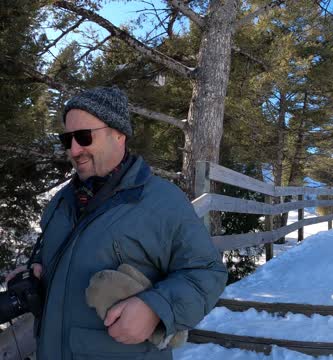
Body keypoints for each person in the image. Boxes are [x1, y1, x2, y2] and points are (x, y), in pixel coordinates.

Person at [9, 87, 228, 359]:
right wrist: (36, 269)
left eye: (84, 137)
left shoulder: (162, 201)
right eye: (68, 139)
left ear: (119, 134)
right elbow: (55, 254)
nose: (74, 150)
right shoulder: (62, 202)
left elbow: (207, 273)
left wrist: (156, 308)